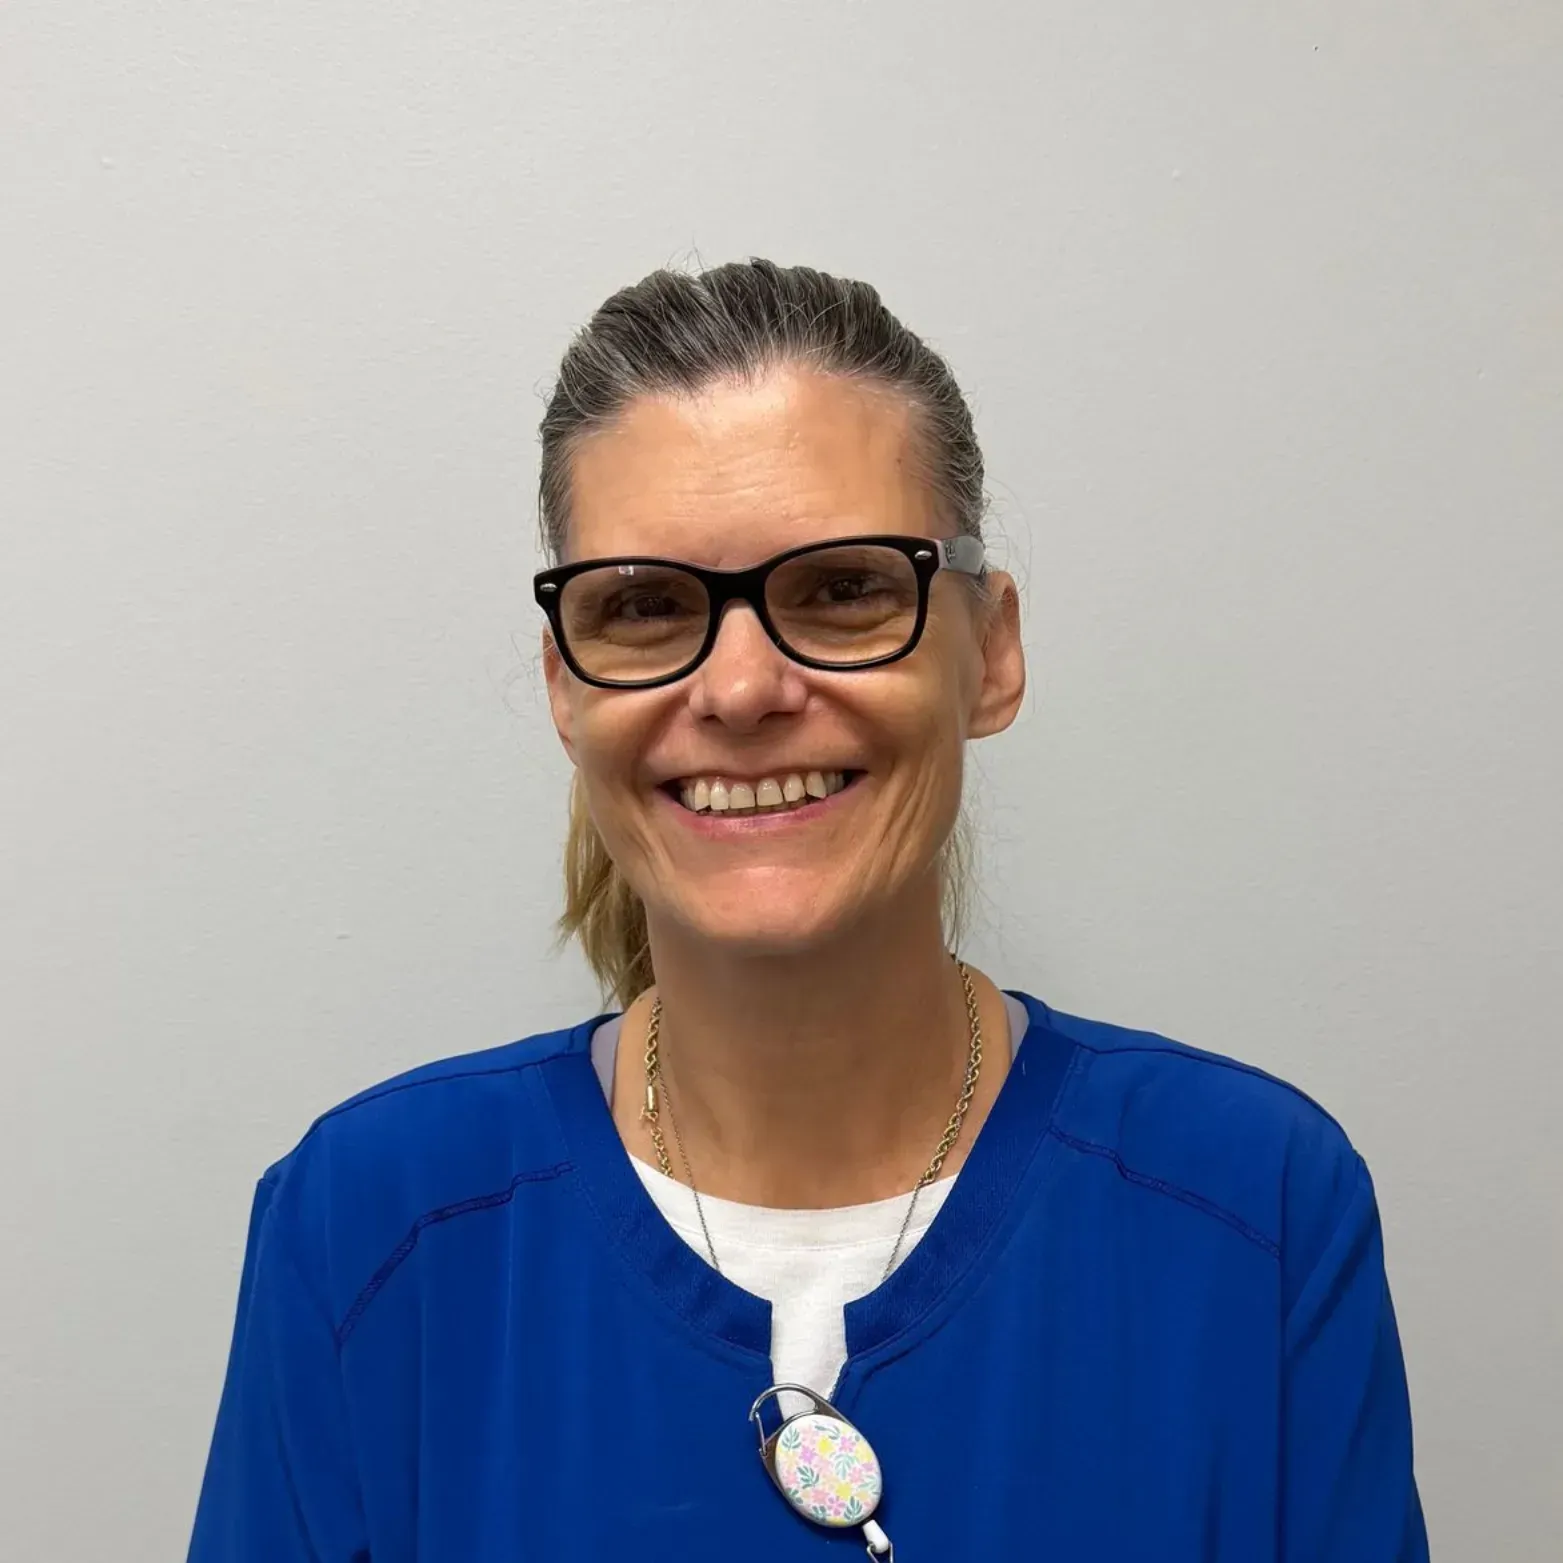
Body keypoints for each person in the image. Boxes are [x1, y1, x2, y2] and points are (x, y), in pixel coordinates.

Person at [188, 259, 1428, 1561]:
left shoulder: (1251, 1213)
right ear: (566, 687)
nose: (738, 686)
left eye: (841, 588)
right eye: (645, 605)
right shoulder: (373, 1225)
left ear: (989, 649)